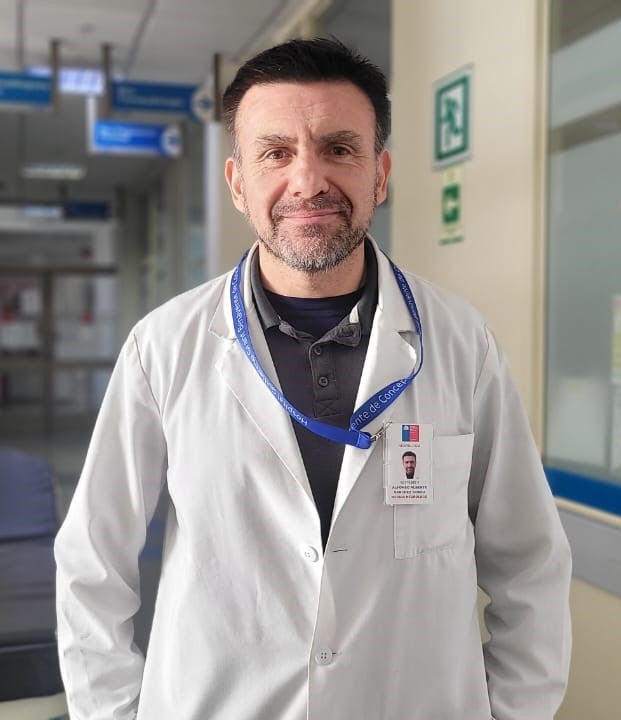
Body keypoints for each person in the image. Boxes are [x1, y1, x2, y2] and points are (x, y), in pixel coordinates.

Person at [55, 37, 572, 720]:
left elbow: (528, 562)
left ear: (379, 175)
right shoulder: (164, 347)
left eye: (339, 148)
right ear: (238, 183)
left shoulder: (460, 342)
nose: (308, 181)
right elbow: (94, 564)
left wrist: (512, 712)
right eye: (276, 153)